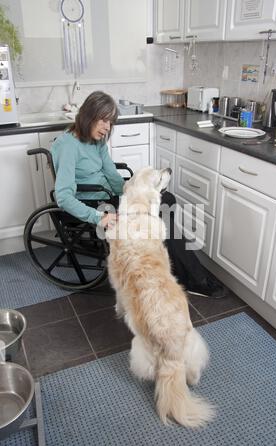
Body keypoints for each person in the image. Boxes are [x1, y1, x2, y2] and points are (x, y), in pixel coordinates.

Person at [51, 91, 228, 299]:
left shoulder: (96, 141)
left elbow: (111, 175)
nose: (108, 128)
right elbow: (63, 197)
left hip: (108, 195)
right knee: (161, 210)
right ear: (88, 115)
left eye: (110, 122)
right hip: (95, 204)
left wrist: (133, 192)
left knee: (166, 200)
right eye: (103, 120)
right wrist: (99, 217)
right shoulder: (68, 146)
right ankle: (195, 278)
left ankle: (177, 264)